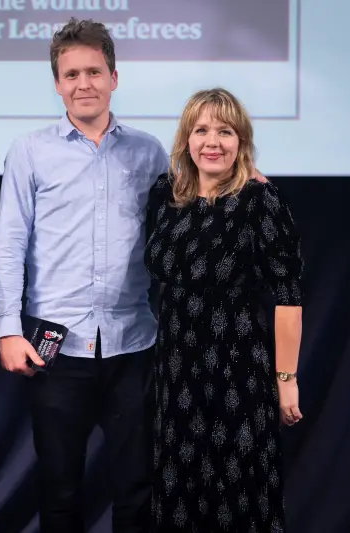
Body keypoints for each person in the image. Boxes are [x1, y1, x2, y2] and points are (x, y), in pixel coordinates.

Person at [0, 18, 169, 533]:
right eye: (71, 74)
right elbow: (9, 245)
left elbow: (181, 228)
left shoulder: (149, 151)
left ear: (115, 77)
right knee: (60, 491)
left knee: (137, 489)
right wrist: (7, 330)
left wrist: (245, 180)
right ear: (57, 83)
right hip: (55, 349)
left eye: (94, 71)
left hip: (133, 344)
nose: (83, 83)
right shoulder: (29, 151)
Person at [145, 88, 304, 532]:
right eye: (201, 130)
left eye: (225, 131)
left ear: (241, 141)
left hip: (239, 374)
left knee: (239, 498)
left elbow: (288, 299)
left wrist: (286, 381)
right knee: (181, 498)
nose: (212, 141)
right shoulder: (165, 196)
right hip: (175, 376)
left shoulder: (261, 201)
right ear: (186, 139)